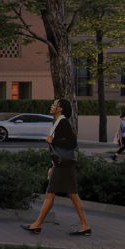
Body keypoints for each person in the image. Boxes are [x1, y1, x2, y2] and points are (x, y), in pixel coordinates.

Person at [25, 99, 91, 236]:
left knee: (51, 194)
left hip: (63, 165)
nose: (52, 106)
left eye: (54, 104)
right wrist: (52, 165)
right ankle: (85, 225)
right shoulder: (58, 122)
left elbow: (72, 143)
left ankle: (37, 224)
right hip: (61, 165)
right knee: (72, 195)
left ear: (60, 108)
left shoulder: (63, 122)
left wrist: (52, 140)